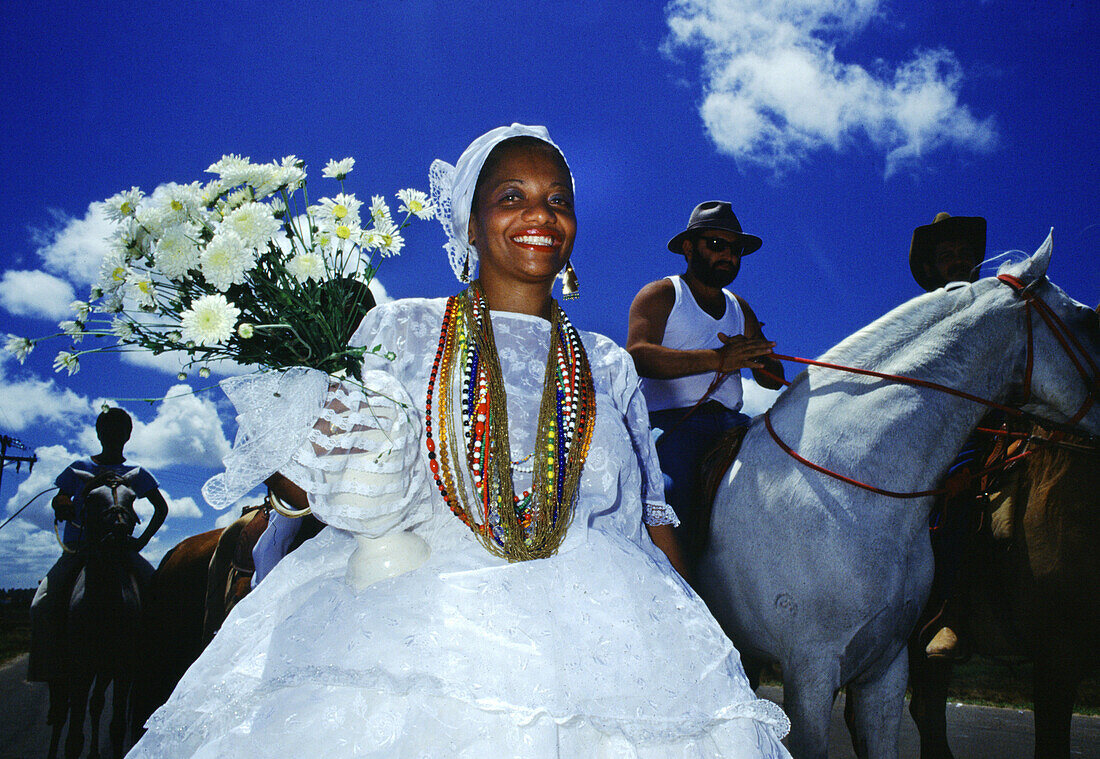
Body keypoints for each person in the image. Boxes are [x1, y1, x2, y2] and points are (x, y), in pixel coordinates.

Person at [129, 125, 790, 757]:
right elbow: (321, 490)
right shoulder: (401, 331)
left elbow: (651, 525)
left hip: (606, 636)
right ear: (471, 225)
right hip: (416, 633)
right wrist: (303, 426)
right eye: (513, 197)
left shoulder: (606, 365)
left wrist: (698, 639)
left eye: (558, 199)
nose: (542, 213)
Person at [627, 201, 784, 565]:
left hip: (736, 427)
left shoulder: (740, 307)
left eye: (735, 249)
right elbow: (637, 355)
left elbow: (772, 381)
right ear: (689, 247)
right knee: (668, 500)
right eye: (716, 245)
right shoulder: (662, 294)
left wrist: (761, 358)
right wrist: (719, 359)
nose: (728, 256)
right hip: (674, 424)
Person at [27, 407, 168, 682]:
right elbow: (60, 499)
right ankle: (48, 668)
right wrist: (67, 503)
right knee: (40, 606)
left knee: (160, 597)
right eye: (108, 431)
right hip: (78, 550)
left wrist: (142, 540)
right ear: (99, 434)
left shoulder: (136, 473)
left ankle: (153, 669)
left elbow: (160, 508)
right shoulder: (79, 467)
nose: (114, 436)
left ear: (128, 435)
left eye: (120, 431)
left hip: (122, 551)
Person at [908, 211, 992, 659]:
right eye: (946, 257)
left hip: (998, 424)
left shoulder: (999, 303)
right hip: (943, 432)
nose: (957, 261)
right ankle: (948, 614)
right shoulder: (921, 319)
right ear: (932, 268)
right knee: (957, 496)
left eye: (964, 254)